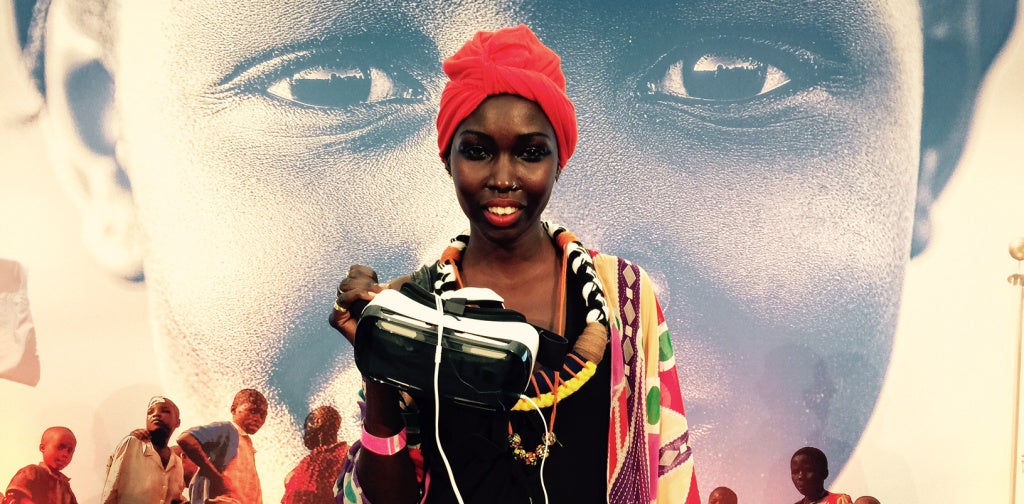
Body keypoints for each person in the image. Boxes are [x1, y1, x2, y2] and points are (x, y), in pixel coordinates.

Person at [2, 0, 1019, 501]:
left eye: (725, 75)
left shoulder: (619, 304)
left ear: (934, 117)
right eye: (331, 87)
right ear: (109, 136)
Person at [330, 25, 698, 504]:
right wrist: (377, 359)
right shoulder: (413, 306)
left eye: (530, 153)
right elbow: (388, 498)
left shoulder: (622, 298)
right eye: (478, 151)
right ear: (447, 159)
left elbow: (666, 477)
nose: (503, 178)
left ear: (559, 161)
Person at [177, 389, 268, 504]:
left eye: (263, 415)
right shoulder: (227, 430)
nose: (258, 418)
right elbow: (186, 439)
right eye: (253, 411)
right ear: (234, 409)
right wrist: (213, 474)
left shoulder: (247, 443)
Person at [99, 396, 185, 504]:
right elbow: (111, 491)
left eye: (165, 411)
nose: (156, 414)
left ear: (178, 422)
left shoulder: (177, 463)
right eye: (150, 412)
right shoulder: (132, 444)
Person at [281, 406, 349, 504]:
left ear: (317, 421)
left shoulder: (347, 454)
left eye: (307, 424)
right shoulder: (310, 460)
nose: (305, 431)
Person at [3, 426, 78, 504]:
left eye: (70, 451)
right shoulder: (32, 472)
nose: (65, 454)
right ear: (42, 448)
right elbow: (16, 495)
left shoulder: (65, 487)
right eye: (60, 447)